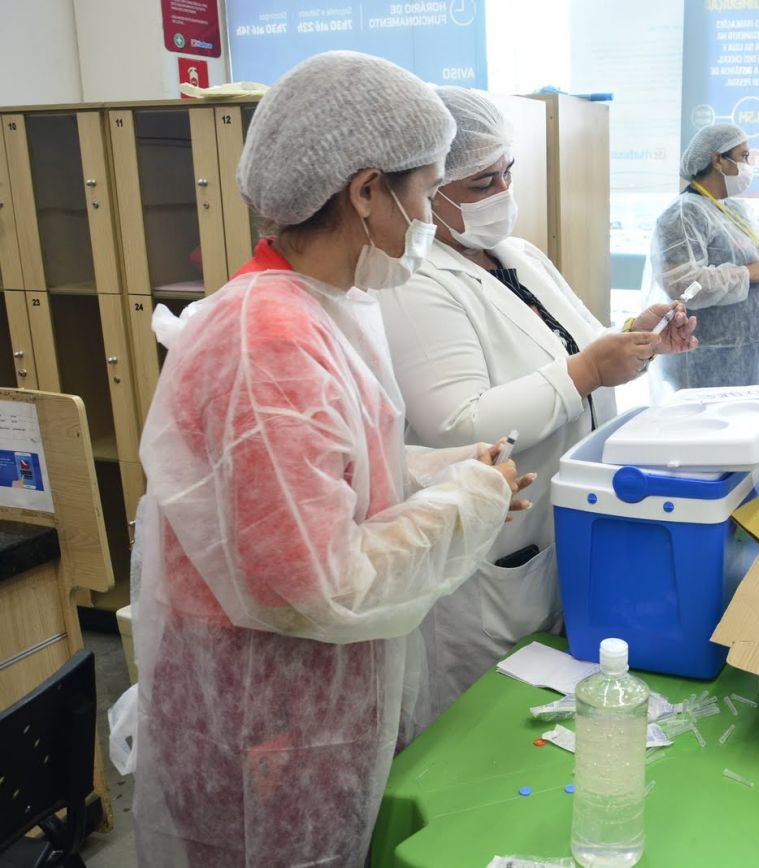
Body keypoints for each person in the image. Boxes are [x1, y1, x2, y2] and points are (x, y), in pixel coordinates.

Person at [127, 53, 529, 866]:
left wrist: (450, 471)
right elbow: (316, 583)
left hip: (301, 704)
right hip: (268, 714)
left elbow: (323, 475)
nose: (429, 218)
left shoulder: (323, 307)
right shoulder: (270, 340)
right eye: (427, 193)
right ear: (367, 192)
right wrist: (469, 503)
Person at [375, 86, 698, 723]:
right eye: (480, 182)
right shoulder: (414, 282)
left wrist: (637, 338)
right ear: (427, 187)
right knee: (485, 723)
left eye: (507, 172)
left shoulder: (517, 254)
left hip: (562, 528)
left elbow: (575, 344)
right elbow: (458, 424)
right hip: (497, 549)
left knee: (559, 693)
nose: (502, 191)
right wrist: (587, 370)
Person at [649, 123, 759, 393]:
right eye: (743, 156)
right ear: (718, 160)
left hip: (746, 351)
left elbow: (751, 270)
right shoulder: (684, 214)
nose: (748, 165)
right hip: (703, 356)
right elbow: (684, 287)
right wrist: (748, 273)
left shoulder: (734, 209)